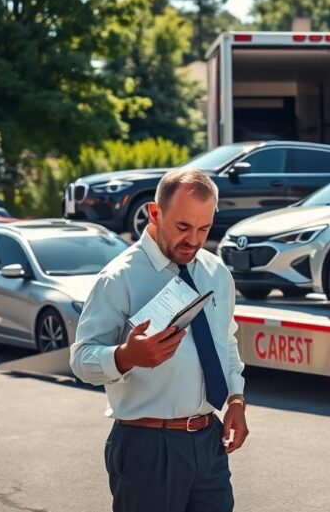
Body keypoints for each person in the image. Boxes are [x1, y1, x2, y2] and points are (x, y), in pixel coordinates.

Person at [70, 167, 248, 512]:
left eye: (204, 228)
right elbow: (81, 359)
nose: (194, 240)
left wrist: (236, 400)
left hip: (208, 442)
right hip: (146, 447)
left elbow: (226, 342)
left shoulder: (216, 273)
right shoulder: (119, 278)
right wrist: (125, 356)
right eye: (183, 227)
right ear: (155, 213)